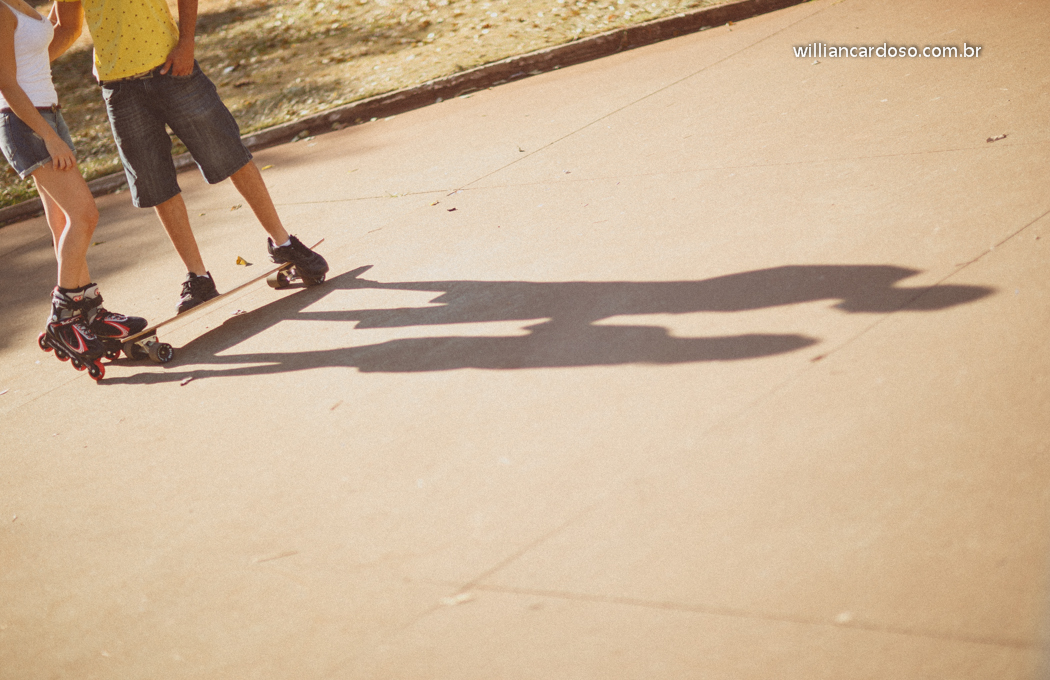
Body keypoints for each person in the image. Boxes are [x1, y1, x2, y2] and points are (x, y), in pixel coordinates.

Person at [53, 0, 328, 314]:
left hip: (172, 69)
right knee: (157, 184)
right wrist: (16, 69)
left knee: (230, 155)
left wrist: (186, 42)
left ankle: (283, 243)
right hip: (119, 90)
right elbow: (66, 26)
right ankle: (198, 277)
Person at [0, 0, 146, 380]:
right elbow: (4, 81)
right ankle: (63, 316)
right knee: (85, 216)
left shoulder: (23, 7)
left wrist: (52, 127)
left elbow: (60, 33)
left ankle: (90, 311)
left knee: (65, 221)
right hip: (26, 123)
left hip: (48, 112)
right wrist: (48, 136)